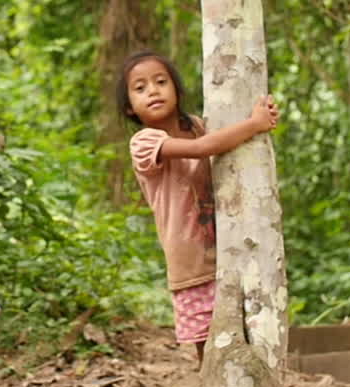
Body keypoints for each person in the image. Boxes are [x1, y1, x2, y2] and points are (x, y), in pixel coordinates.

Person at [116, 51, 278, 363]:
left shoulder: (198, 125)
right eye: (140, 88)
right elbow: (202, 149)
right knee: (210, 347)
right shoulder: (144, 142)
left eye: (161, 82)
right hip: (191, 265)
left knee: (250, 333)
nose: (152, 90)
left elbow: (217, 141)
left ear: (176, 90)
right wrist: (255, 123)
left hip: (231, 250)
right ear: (129, 107)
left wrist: (259, 115)